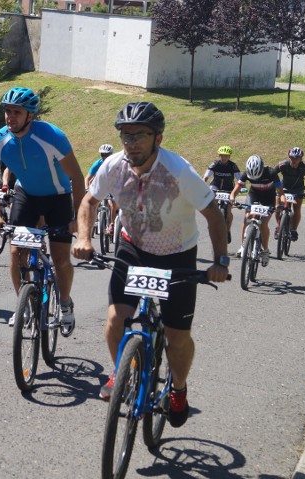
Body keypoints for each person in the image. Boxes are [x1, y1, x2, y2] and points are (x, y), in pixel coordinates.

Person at [72, 101, 229, 429]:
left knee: (177, 336)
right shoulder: (114, 166)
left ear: (158, 137)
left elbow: (213, 214)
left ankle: (178, 388)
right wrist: (84, 238)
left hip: (178, 253)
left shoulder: (179, 171)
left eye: (139, 136)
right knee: (116, 319)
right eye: (126, 136)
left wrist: (220, 260)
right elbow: (89, 201)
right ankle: (122, 370)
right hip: (134, 247)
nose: (131, 143)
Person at [0, 87, 86, 333]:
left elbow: (77, 177)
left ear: (30, 115)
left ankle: (64, 304)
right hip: (26, 196)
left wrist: (77, 219)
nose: (10, 117)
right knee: (16, 253)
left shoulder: (52, 136)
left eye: (16, 112)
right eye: (7, 111)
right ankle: (24, 306)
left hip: (58, 197)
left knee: (61, 258)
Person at [229, 155, 285, 265]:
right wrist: (232, 199)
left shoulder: (271, 173)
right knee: (247, 218)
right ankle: (243, 246)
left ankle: (265, 250)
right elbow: (235, 191)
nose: (254, 178)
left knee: (264, 223)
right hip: (254, 195)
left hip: (268, 198)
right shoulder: (246, 174)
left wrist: (281, 204)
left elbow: (281, 193)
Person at [271, 147, 305, 242]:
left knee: (296, 208)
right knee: (278, 207)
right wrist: (274, 186)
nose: (294, 161)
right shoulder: (282, 165)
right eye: (292, 158)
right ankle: (279, 227)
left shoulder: (304, 168)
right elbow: (272, 173)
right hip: (284, 188)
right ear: (289, 157)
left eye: (297, 158)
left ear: (301, 159)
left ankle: (294, 229)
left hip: (298, 190)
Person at [202, 145, 241, 243]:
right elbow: (206, 176)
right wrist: (203, 183)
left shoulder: (233, 166)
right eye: (222, 156)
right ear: (219, 156)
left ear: (229, 157)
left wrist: (241, 188)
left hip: (229, 189)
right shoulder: (215, 164)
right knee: (212, 202)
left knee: (228, 211)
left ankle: (227, 231)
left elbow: (239, 179)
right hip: (215, 186)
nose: (224, 158)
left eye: (226, 156)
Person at [85, 144, 117, 236]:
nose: (104, 156)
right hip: (101, 186)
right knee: (94, 203)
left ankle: (112, 224)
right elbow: (87, 178)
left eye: (107, 155)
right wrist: (87, 189)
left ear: (111, 154)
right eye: (102, 154)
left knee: (112, 204)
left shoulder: (115, 163)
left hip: (112, 186)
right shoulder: (98, 163)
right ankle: (93, 220)